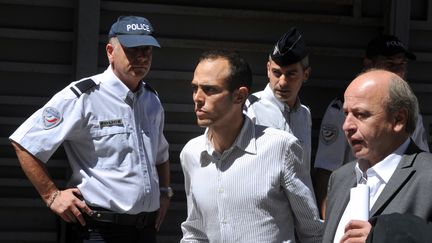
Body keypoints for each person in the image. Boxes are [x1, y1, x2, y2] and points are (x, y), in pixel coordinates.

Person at [9, 16, 172, 243]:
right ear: (110, 52)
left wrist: (164, 193)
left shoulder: (151, 101)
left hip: (144, 230)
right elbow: (25, 143)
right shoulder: (84, 96)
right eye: (132, 50)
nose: (141, 57)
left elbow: (161, 155)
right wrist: (52, 196)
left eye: (147, 50)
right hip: (98, 231)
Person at [180, 49, 323, 242]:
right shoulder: (192, 154)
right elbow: (195, 232)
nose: (197, 98)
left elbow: (312, 232)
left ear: (239, 96)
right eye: (195, 88)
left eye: (210, 89)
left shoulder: (281, 148)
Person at [313, 34, 430, 218]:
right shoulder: (339, 110)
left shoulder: (426, 177)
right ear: (369, 64)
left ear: (399, 119)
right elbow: (325, 170)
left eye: (402, 65)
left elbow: (421, 160)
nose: (398, 71)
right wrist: (329, 222)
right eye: (391, 64)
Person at [322, 69, 432, 243]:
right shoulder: (340, 178)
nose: (346, 125)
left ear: (398, 119)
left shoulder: (427, 177)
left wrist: (382, 236)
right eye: (346, 113)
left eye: (361, 115)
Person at [245, 27, 312, 176]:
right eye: (277, 73)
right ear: (268, 69)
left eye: (291, 74)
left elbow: (303, 171)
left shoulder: (304, 114)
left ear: (306, 74)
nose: (282, 82)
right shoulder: (250, 108)